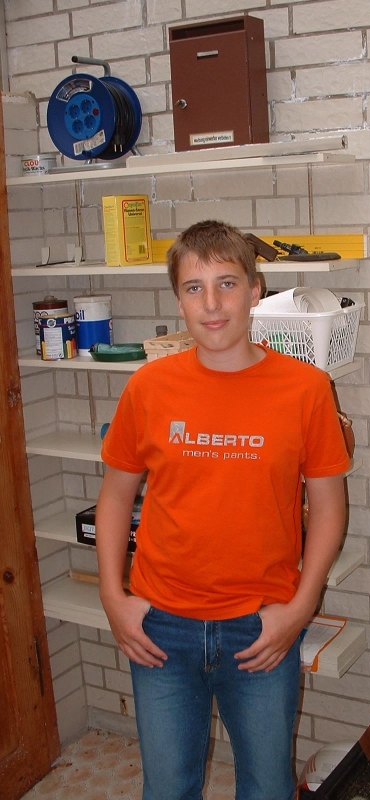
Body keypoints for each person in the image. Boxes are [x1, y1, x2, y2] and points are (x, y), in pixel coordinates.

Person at [95, 219, 350, 800]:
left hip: (260, 629)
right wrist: (113, 596)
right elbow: (114, 496)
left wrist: (300, 608)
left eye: (227, 284)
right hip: (161, 628)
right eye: (194, 287)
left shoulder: (306, 389)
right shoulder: (149, 387)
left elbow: (328, 507)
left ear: (255, 291)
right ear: (178, 299)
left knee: (267, 787)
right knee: (168, 788)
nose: (211, 304)